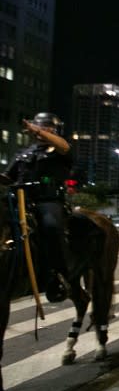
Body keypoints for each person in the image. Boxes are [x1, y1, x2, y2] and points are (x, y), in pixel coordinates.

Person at [0, 112, 73, 302]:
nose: (40, 131)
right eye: (38, 127)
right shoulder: (24, 153)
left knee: (51, 226)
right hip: (19, 200)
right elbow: (8, 177)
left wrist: (38, 129)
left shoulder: (59, 150)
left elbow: (64, 146)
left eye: (46, 127)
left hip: (47, 200)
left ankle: (59, 275)